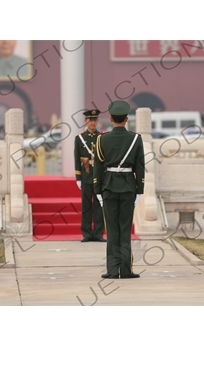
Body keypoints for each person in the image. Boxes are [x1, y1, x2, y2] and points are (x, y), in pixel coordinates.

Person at [94, 101, 145, 279]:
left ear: (110, 119)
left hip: (108, 187)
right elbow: (140, 166)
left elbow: (98, 167)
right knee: (125, 229)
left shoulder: (102, 139)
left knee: (112, 230)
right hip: (128, 187)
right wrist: (140, 190)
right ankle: (126, 269)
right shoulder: (136, 139)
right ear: (126, 119)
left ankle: (112, 270)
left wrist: (97, 190)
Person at [74, 109, 105, 243]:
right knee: (86, 206)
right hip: (86, 176)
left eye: (95, 120)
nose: (93, 123)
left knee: (99, 206)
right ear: (86, 121)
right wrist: (78, 177)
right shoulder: (80, 138)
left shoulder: (102, 137)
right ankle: (86, 233)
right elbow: (76, 158)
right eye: (90, 120)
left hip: (99, 177)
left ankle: (98, 233)